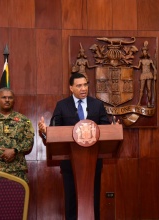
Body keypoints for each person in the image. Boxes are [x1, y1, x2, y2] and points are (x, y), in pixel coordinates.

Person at [38, 73, 111, 220]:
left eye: (85, 85)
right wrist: (46, 132)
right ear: (71, 88)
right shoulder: (62, 105)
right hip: (69, 162)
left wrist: (113, 128)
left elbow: (106, 129)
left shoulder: (97, 105)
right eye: (79, 85)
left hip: (93, 162)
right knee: (71, 200)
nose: (83, 88)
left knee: (93, 198)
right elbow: (54, 131)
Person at [133, 41, 157, 107]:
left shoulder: (150, 61)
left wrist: (155, 75)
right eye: (143, 52)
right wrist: (133, 66)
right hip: (143, 75)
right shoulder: (141, 61)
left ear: (147, 52)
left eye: (145, 51)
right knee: (142, 89)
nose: (144, 53)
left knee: (149, 89)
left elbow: (154, 69)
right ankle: (139, 102)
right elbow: (138, 67)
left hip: (149, 74)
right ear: (142, 53)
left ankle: (149, 102)